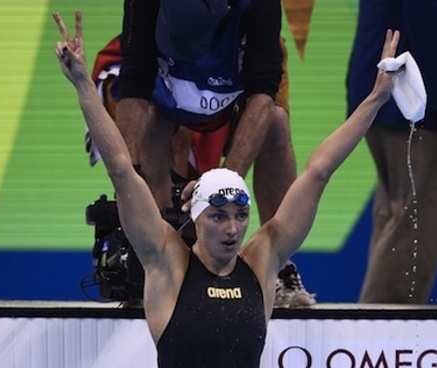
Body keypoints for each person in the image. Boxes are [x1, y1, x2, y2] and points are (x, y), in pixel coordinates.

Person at [53, 9, 398, 368]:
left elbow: (319, 171)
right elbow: (122, 168)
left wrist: (376, 99)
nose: (233, 229)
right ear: (196, 217)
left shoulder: (261, 264)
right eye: (218, 216)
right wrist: (84, 87)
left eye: (240, 215)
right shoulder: (167, 265)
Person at [113, 0, 315, 307]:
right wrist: (128, 183)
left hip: (237, 63)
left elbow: (261, 95)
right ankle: (153, 264)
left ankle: (279, 266)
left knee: (274, 122)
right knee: (151, 131)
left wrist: (222, 184)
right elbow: (135, 80)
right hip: (167, 75)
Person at [347, 0, 437, 304]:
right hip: (415, 101)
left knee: (397, 222)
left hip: (395, 91)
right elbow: (427, 8)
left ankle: (377, 338)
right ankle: (387, 345)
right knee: (414, 231)